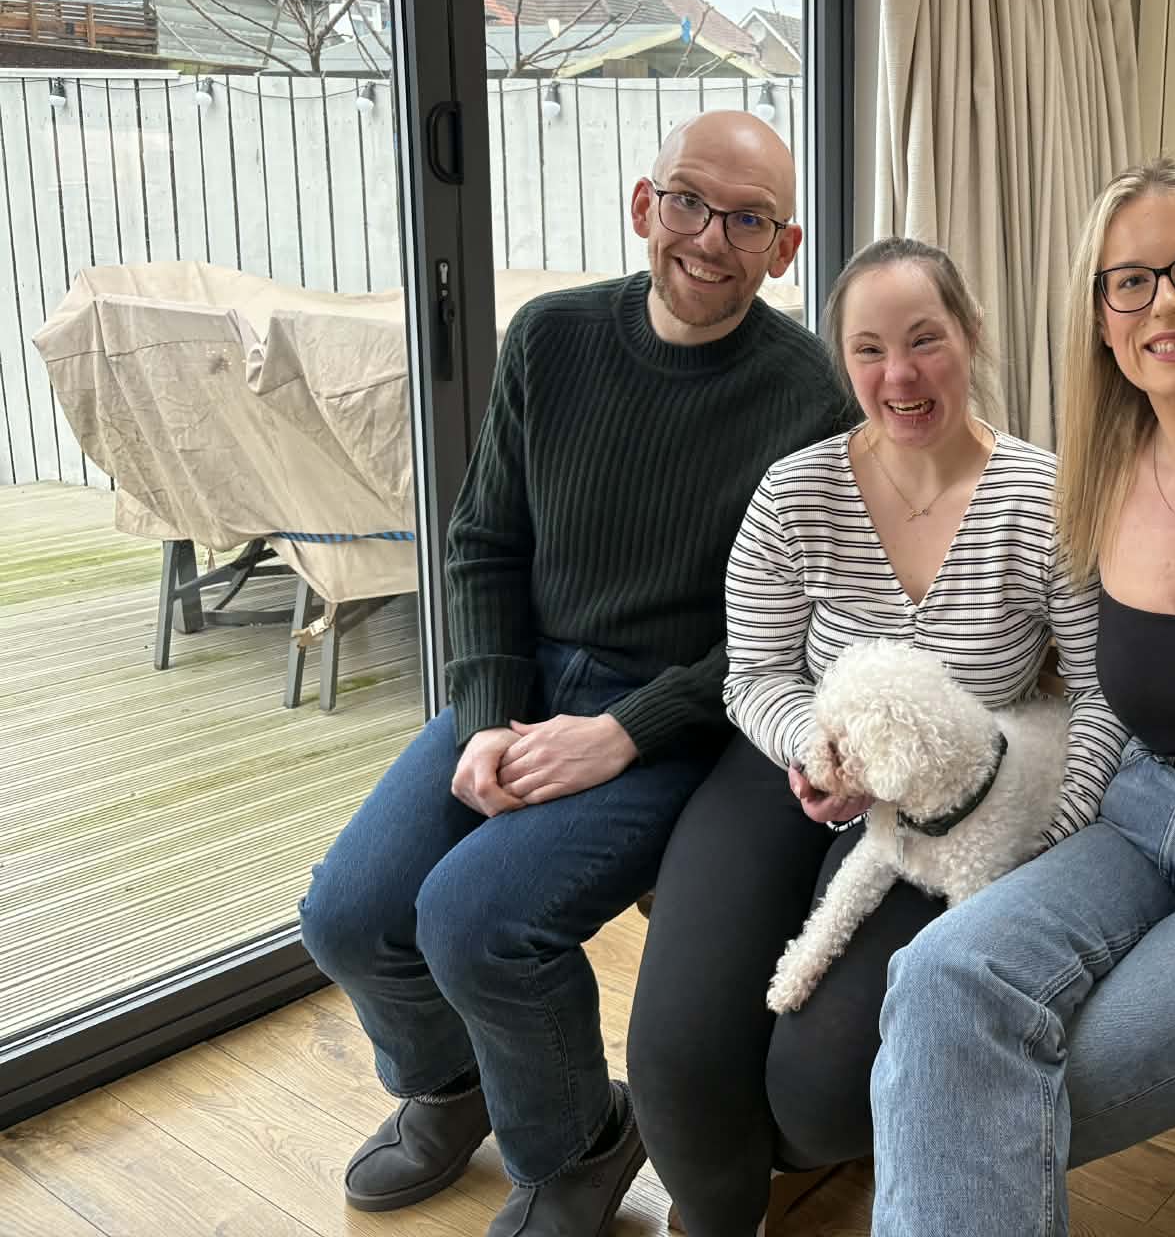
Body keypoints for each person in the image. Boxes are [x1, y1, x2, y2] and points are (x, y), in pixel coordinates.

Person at [297, 112, 849, 1237]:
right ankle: (449, 1088)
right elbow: (482, 543)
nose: (711, 237)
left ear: (783, 250)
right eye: (689, 201)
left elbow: (790, 638)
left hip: (683, 719)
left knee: (474, 921)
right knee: (348, 914)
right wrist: (490, 717)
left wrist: (626, 731)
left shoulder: (811, 398)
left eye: (748, 220)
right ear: (645, 207)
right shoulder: (548, 338)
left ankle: (579, 1144)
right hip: (528, 679)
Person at [866, 161, 1175, 1237]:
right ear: (1097, 316)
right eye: (1128, 282)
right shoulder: (1097, 472)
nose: (1163, 304)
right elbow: (1083, 685)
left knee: (960, 1099)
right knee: (935, 984)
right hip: (1135, 818)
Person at [627, 236, 1130, 1237]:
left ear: (970, 338)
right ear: (842, 363)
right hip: (791, 771)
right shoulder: (797, 493)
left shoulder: (1045, 498)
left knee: (817, 1092)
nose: (897, 376)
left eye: (923, 341)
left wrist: (1050, 831)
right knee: (675, 1063)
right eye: (867, 350)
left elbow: (1101, 691)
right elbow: (756, 672)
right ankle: (722, 1205)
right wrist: (813, 758)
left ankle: (786, 1154)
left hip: (949, 811)